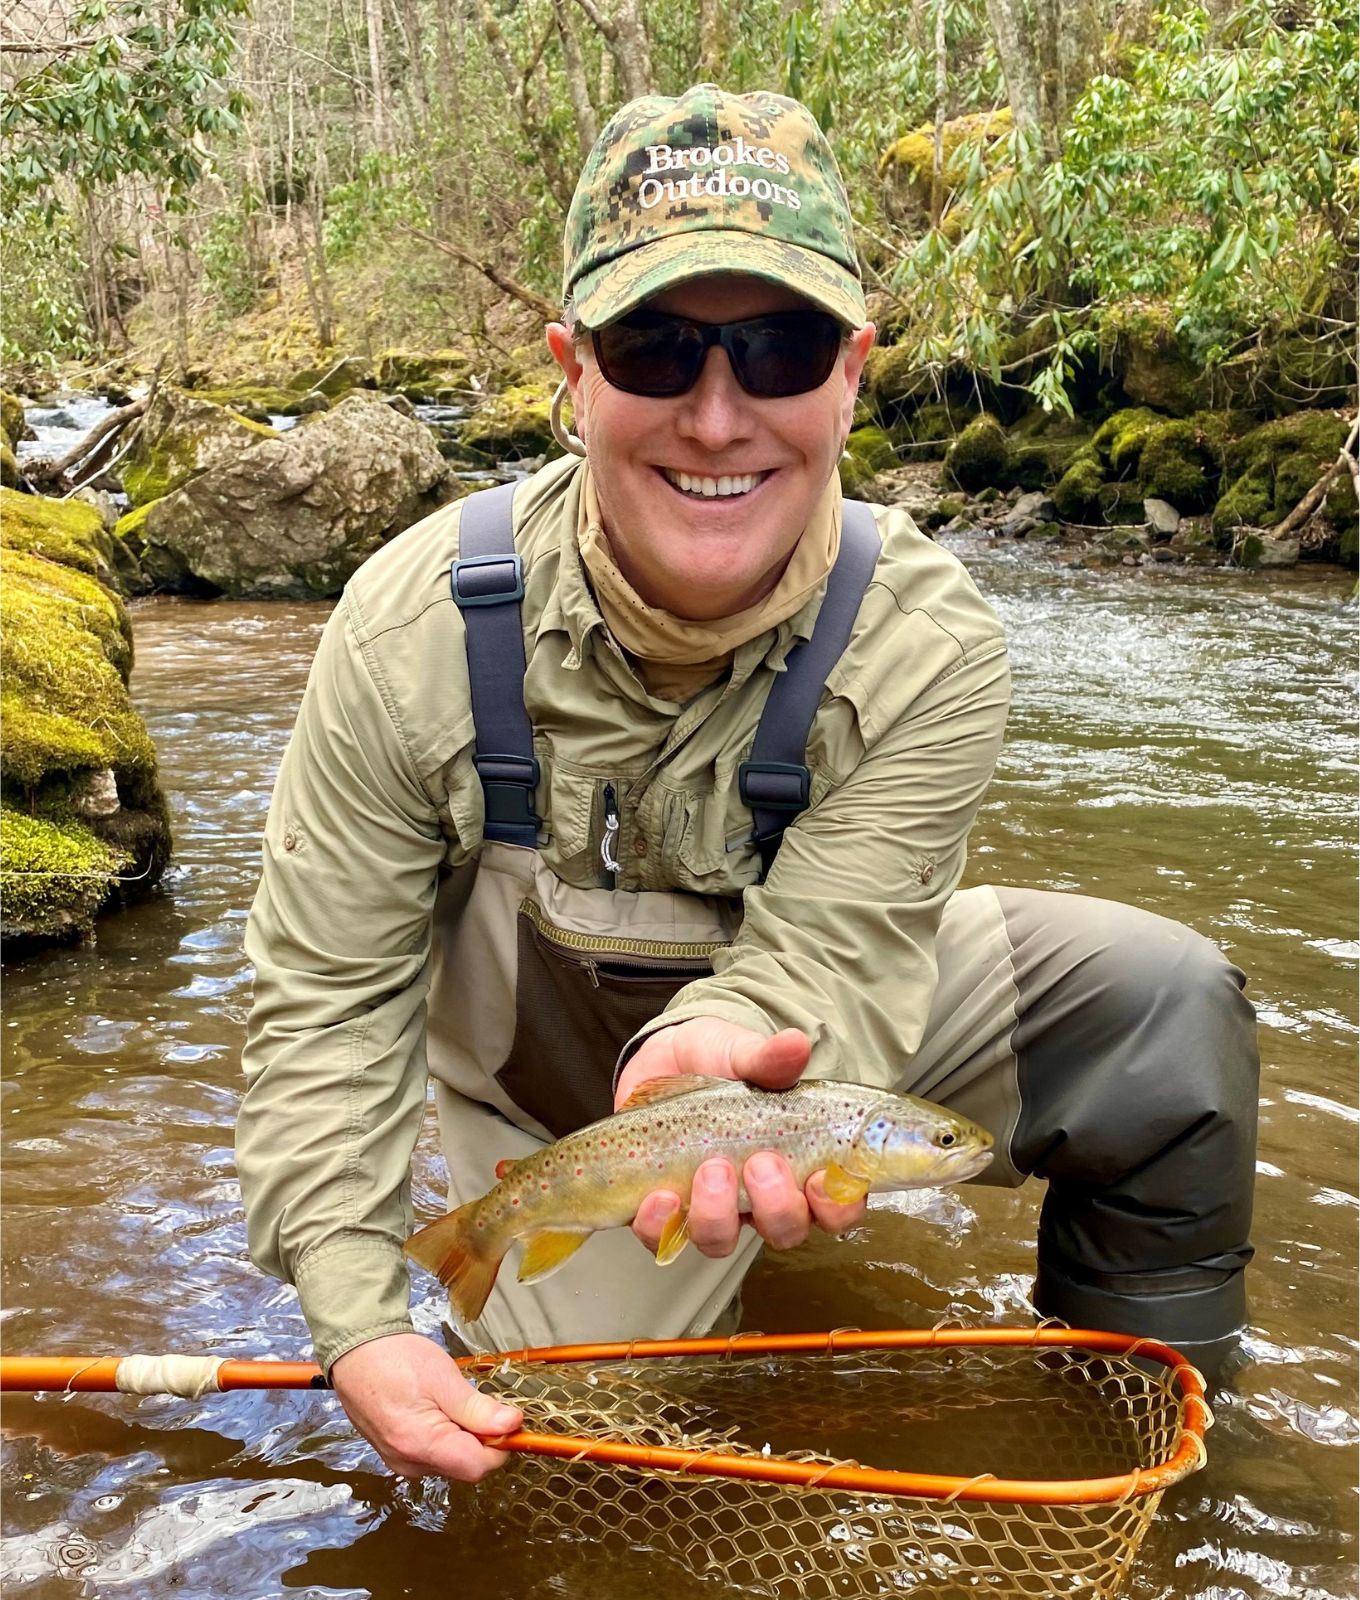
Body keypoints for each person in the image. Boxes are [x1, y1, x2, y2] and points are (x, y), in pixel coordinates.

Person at [236, 85, 1258, 1485]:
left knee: (1162, 1007)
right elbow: (324, 1001)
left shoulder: (925, 636)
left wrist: (728, 1051)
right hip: (537, 1102)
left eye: (777, 349)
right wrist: (353, 1312)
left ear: (852, 371)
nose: (717, 417)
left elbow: (841, 954)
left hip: (794, 1058)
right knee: (583, 1463)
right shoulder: (412, 622)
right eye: (655, 349)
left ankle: (1154, 1450)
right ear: (572, 370)